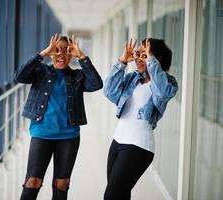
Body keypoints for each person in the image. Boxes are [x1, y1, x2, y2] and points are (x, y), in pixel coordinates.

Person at [14, 33, 103, 200]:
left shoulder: (77, 76)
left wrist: (82, 57)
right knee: (33, 181)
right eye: (57, 51)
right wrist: (42, 54)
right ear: (51, 52)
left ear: (71, 54)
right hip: (42, 133)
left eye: (66, 51)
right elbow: (20, 76)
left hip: (69, 137)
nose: (61, 55)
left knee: (61, 184)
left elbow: (96, 84)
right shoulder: (41, 72)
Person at [103, 38, 178, 199]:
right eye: (137, 54)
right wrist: (122, 61)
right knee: (121, 195)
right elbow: (109, 91)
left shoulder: (167, 82)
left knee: (111, 196)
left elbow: (164, 93)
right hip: (117, 141)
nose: (138, 58)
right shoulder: (132, 78)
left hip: (139, 146)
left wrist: (150, 60)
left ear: (156, 58)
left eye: (144, 55)